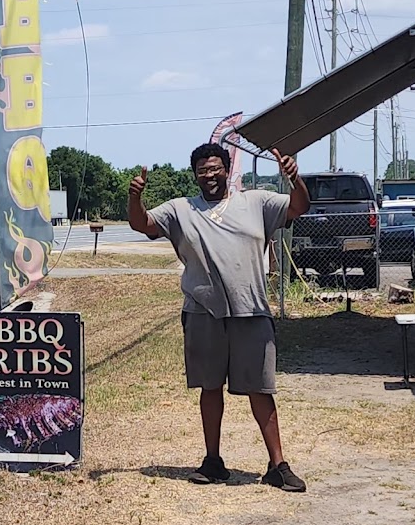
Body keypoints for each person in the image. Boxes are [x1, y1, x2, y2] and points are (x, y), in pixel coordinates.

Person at [128, 143, 311, 492]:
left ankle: (278, 465)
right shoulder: (181, 209)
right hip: (203, 312)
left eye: (215, 168)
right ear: (194, 174)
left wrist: (294, 179)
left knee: (260, 388)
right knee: (209, 388)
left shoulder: (257, 201)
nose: (210, 175)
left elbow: (299, 208)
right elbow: (142, 224)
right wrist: (135, 197)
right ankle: (213, 461)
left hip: (251, 310)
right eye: (202, 170)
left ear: (228, 170)